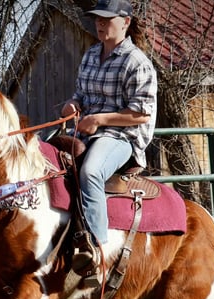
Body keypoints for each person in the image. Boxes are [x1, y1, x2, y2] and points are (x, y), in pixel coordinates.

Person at [61, 0, 157, 278]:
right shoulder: (90, 55)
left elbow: (141, 114)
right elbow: (81, 95)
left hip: (121, 138)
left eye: (107, 19)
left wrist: (101, 119)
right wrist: (72, 105)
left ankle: (97, 251)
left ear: (125, 22)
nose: (100, 24)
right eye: (97, 19)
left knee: (90, 171)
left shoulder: (136, 62)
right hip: (84, 131)